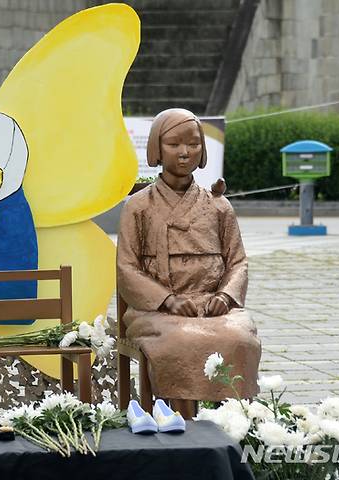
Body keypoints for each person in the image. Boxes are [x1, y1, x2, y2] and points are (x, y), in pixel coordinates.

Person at [116, 108, 261, 420]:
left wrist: (224, 296)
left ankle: (233, 423)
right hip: (156, 310)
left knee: (241, 338)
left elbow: (238, 261)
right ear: (156, 147)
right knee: (180, 341)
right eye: (174, 144)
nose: (185, 153)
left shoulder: (219, 206)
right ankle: (181, 425)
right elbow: (127, 267)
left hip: (213, 305)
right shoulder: (138, 207)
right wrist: (167, 299)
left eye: (194, 144)